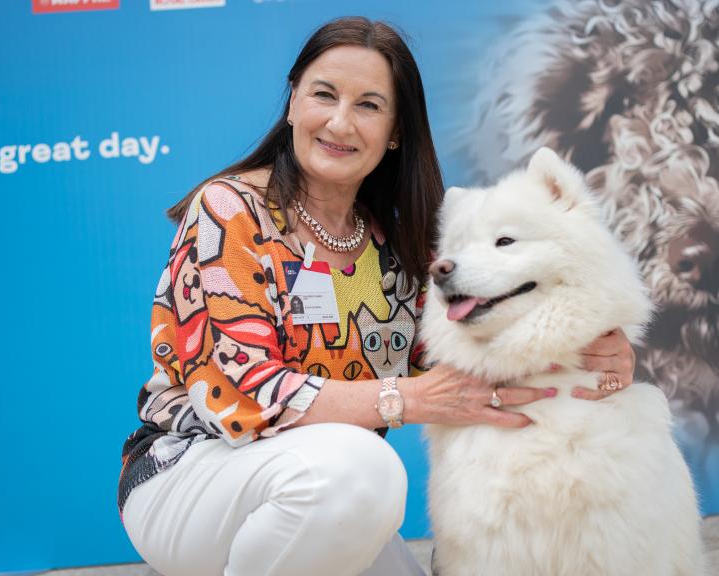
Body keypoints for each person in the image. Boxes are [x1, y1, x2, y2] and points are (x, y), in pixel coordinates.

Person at [118, 16, 636, 576]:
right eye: (324, 95)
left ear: (395, 131)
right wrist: (406, 400)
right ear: (293, 102)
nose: (340, 121)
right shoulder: (229, 211)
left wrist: (599, 355)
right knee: (365, 471)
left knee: (363, 483)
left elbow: (463, 367)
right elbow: (241, 395)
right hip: (195, 472)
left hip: (331, 490)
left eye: (368, 104)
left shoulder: (395, 246)